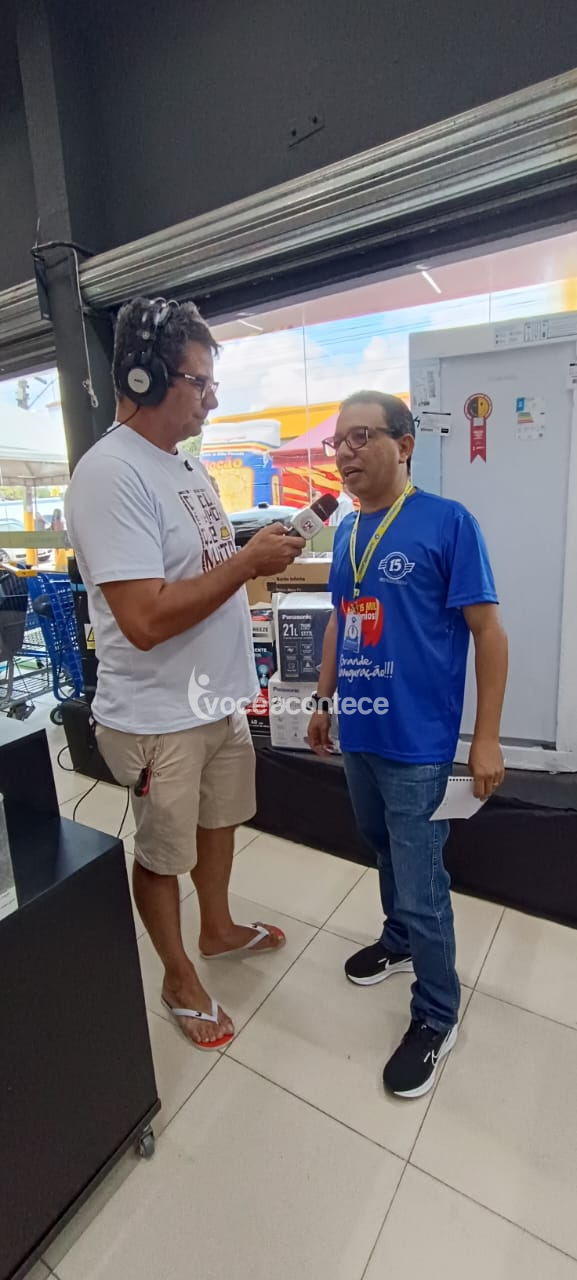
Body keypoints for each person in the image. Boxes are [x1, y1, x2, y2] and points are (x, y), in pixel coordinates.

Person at [65, 296, 305, 1051]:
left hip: (214, 701)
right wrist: (248, 563)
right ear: (142, 377)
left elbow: (199, 568)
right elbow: (144, 619)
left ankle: (218, 928)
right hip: (158, 717)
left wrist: (252, 551)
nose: (212, 399)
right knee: (163, 852)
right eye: (199, 383)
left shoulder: (186, 465)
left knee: (218, 822)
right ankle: (177, 977)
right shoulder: (109, 475)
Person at [308, 391, 507, 1099]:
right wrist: (323, 700)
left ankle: (437, 1014)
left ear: (405, 444)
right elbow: (341, 619)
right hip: (360, 730)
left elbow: (488, 632)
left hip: (418, 743)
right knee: (383, 849)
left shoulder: (448, 523)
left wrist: (485, 738)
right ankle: (397, 943)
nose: (345, 452)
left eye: (361, 437)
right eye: (338, 442)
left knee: (423, 886)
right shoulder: (345, 531)